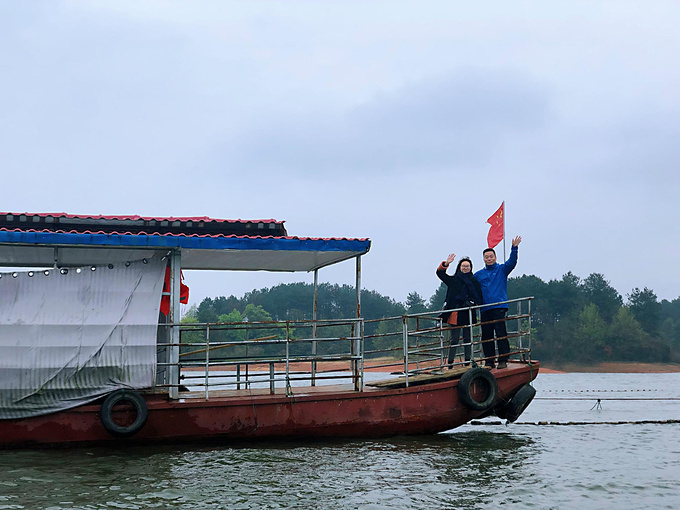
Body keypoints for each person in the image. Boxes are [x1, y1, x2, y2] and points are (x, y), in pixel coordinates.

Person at [474, 236, 522, 369]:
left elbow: (512, 262)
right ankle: (489, 361)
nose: (489, 259)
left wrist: (514, 248)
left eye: (491, 256)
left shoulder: (502, 269)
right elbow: (470, 287)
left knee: (500, 333)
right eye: (486, 257)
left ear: (495, 257)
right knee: (486, 335)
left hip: (499, 306)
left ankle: (503, 359)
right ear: (483, 259)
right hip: (485, 308)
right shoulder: (479, 275)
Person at [436, 254, 483, 367]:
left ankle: (468, 361)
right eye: (463, 266)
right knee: (454, 339)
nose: (465, 268)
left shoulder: (474, 281)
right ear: (459, 267)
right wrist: (446, 264)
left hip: (468, 312)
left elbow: (479, 297)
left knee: (468, 338)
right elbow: (440, 274)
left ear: (471, 268)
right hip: (455, 312)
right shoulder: (453, 280)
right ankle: (450, 363)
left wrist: (473, 302)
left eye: (467, 266)